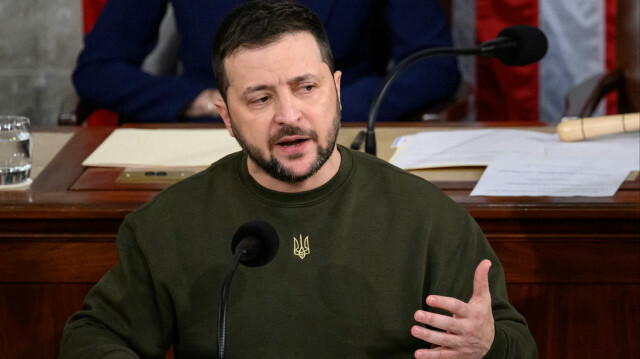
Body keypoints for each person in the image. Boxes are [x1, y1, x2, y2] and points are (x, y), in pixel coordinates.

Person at [59, 1, 536, 358]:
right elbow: (92, 337)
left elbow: (515, 343)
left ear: (337, 91)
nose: (290, 116)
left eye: (306, 88)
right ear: (225, 116)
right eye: (260, 99)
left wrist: (486, 346)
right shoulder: (168, 224)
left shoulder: (427, 220)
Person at [73, 0, 460, 123]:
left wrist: (321, 102)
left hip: (342, 132)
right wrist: (205, 100)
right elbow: (98, 69)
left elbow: (433, 67)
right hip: (214, 137)